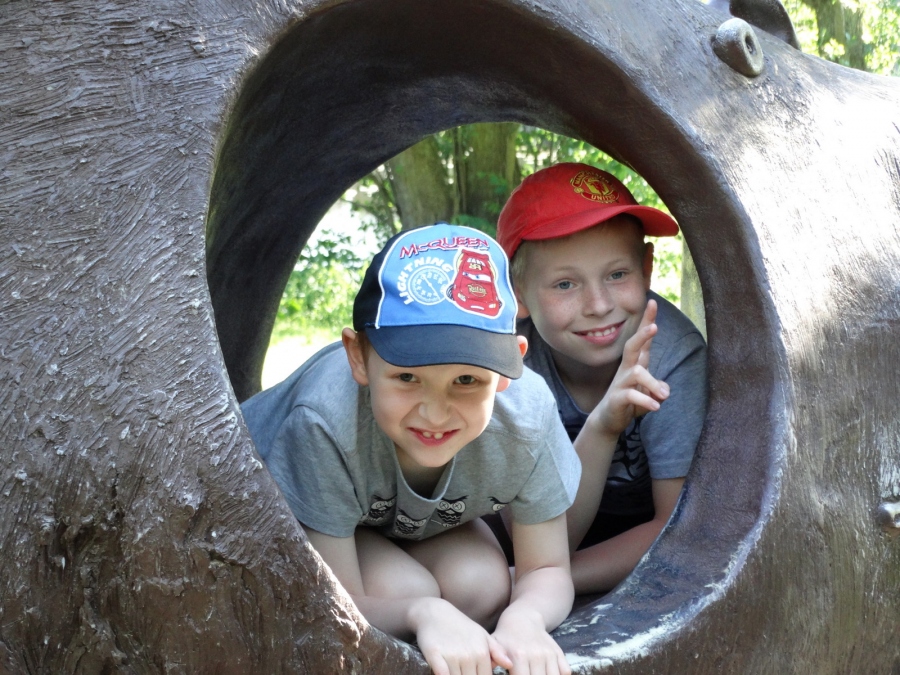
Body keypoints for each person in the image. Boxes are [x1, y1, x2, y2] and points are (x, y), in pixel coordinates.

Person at [241, 223, 580, 675]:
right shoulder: (325, 422)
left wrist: (526, 620)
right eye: (407, 377)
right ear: (359, 356)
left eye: (466, 380)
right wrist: (420, 613)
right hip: (284, 519)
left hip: (390, 517)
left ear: (509, 367)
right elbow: (329, 604)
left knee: (482, 587)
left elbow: (547, 569)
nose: (435, 414)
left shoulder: (527, 418)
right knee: (410, 591)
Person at [497, 163, 708, 595]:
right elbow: (536, 540)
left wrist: (538, 583)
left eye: (617, 274)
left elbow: (678, 526)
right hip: (540, 537)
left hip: (632, 542)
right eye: (564, 284)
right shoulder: (506, 364)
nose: (598, 304)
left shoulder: (671, 357)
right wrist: (603, 426)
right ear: (516, 295)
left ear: (647, 268)